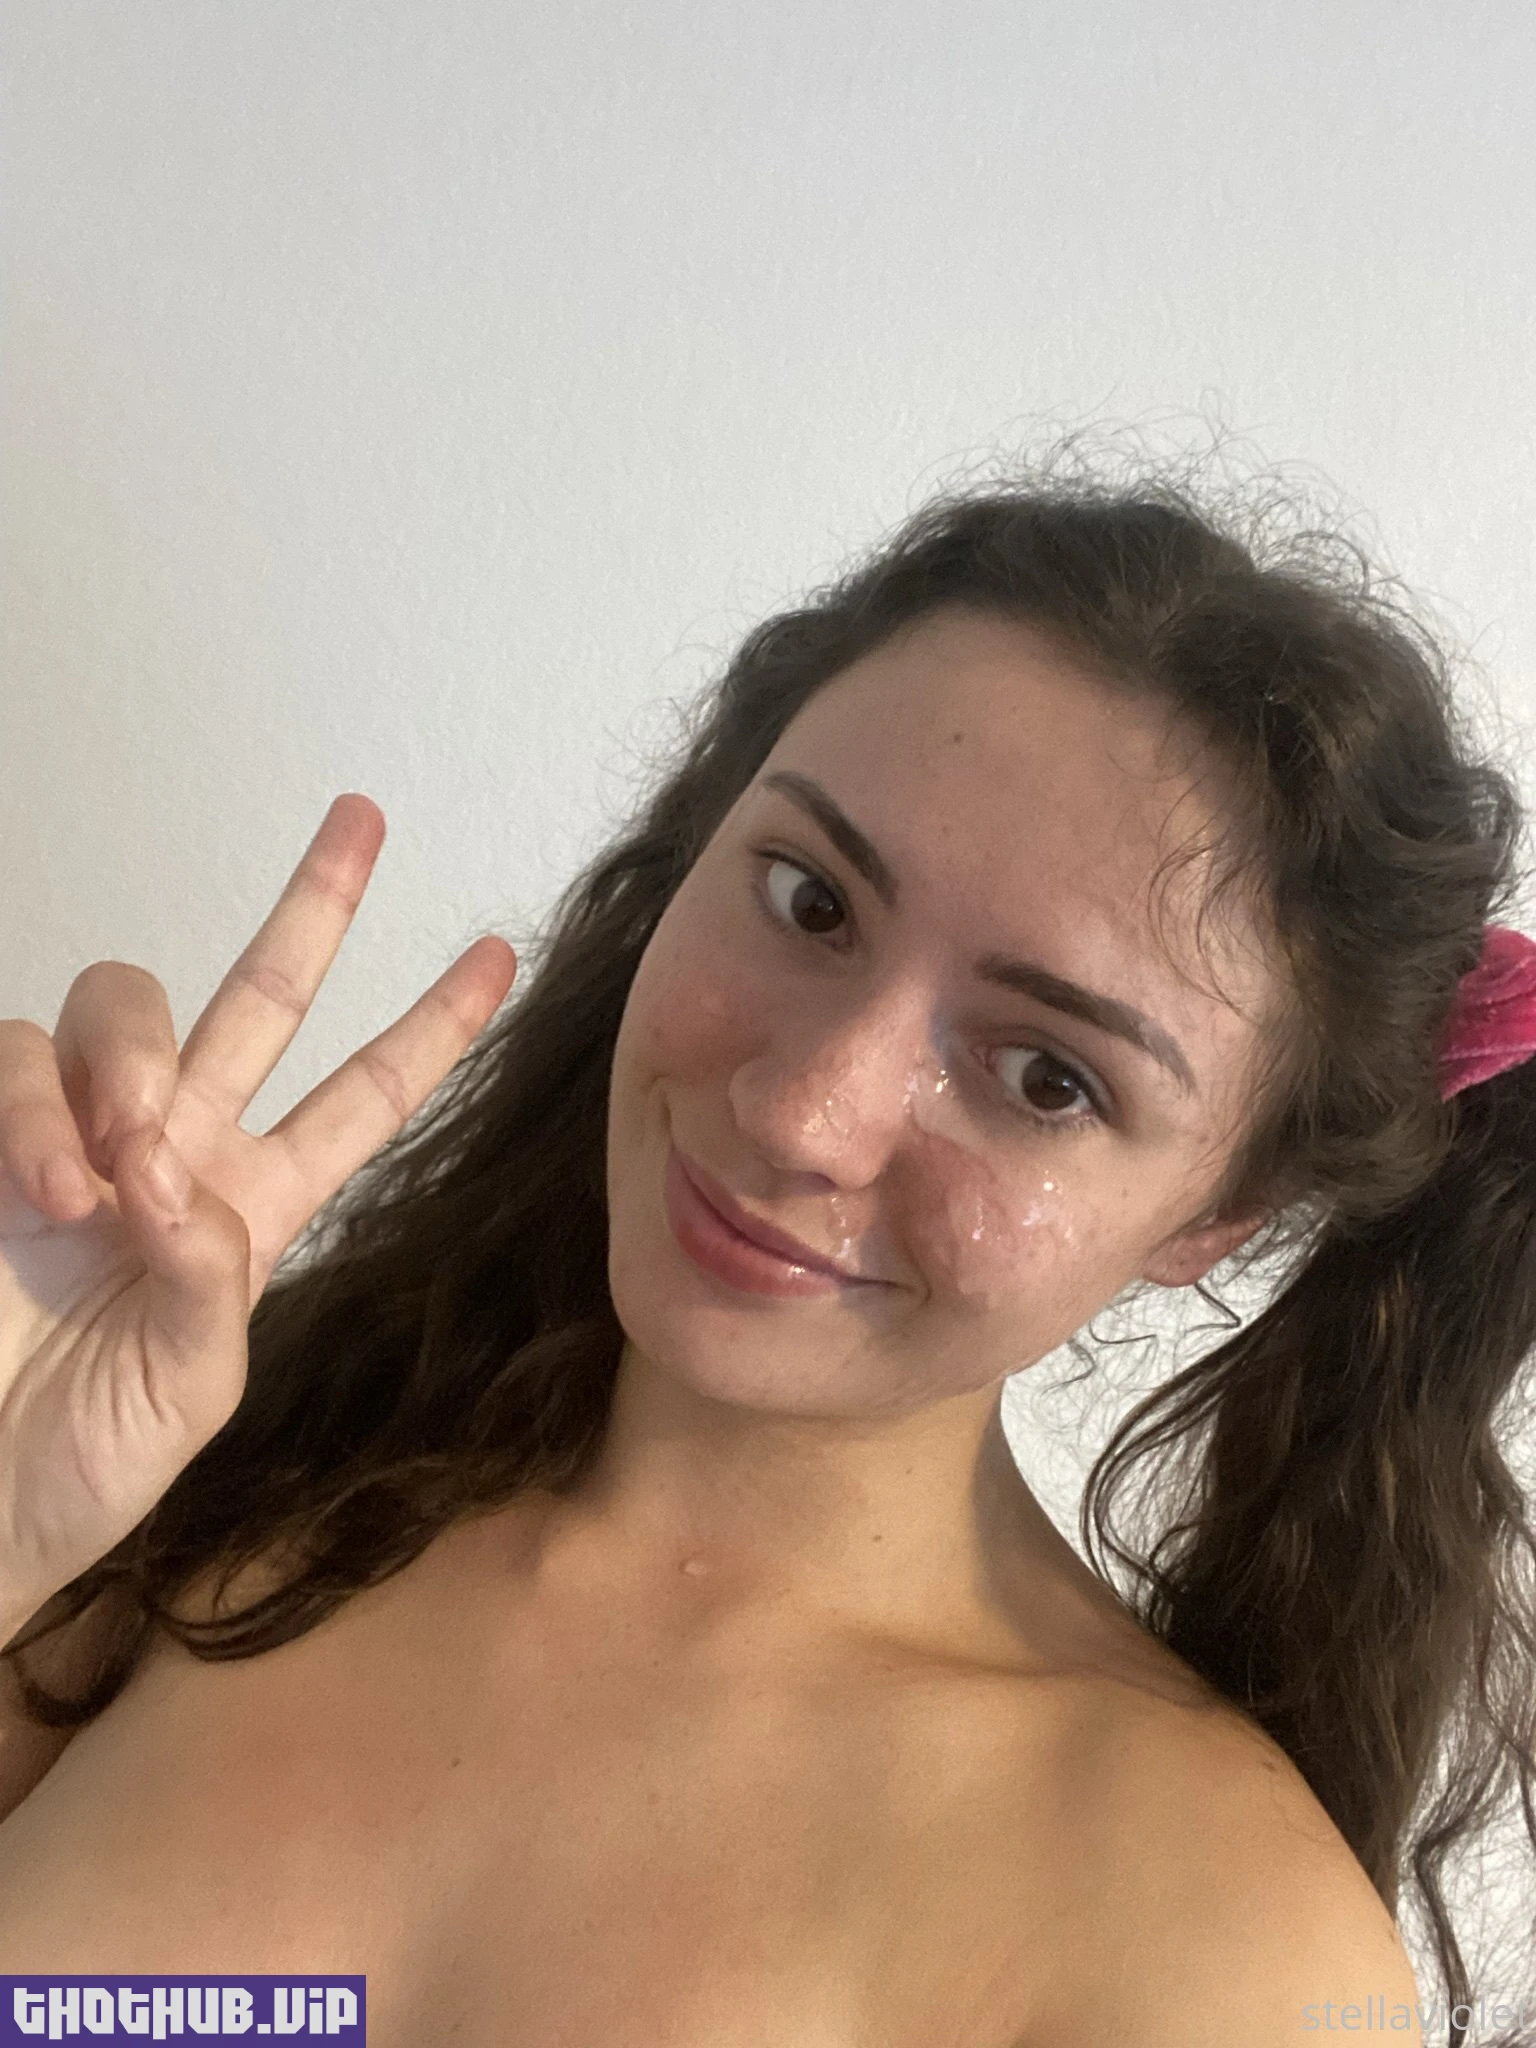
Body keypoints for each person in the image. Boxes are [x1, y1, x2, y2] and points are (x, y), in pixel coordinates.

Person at [1, 469, 1533, 2048]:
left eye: (1046, 1077)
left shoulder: (1220, 1943)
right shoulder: (230, 1478)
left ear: (1220, 1214)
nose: (805, 1110)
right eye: (811, 902)